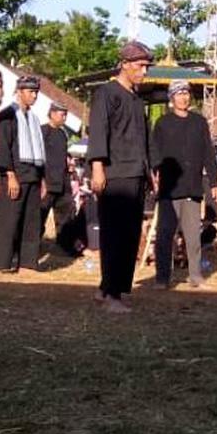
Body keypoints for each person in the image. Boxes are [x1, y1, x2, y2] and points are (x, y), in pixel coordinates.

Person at [86, 41, 156, 314]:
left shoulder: (137, 99)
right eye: (140, 66)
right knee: (115, 234)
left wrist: (150, 171)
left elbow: (143, 139)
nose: (144, 71)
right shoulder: (107, 93)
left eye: (146, 66)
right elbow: (99, 130)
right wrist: (97, 167)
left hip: (137, 172)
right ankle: (112, 294)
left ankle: (111, 288)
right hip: (115, 173)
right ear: (125, 64)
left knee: (130, 234)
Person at [150, 80, 217, 288]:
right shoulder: (162, 123)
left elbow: (208, 153)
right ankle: (162, 277)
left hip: (192, 187)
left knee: (192, 236)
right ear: (172, 98)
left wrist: (215, 183)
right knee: (165, 234)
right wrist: (155, 173)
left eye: (186, 94)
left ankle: (195, 276)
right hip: (169, 189)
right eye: (179, 94)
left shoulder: (199, 123)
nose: (184, 98)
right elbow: (154, 151)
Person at [0, 76, 46, 273]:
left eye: (36, 92)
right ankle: (0, 263)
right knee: (8, 220)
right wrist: (10, 174)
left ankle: (28, 262)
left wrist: (42, 178)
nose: (34, 95)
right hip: (15, 174)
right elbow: (3, 147)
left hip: (33, 174)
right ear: (19, 91)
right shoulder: (7, 116)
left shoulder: (34, 118)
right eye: (30, 91)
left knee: (32, 221)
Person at [40, 102, 74, 252]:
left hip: (63, 182)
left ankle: (64, 246)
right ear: (52, 113)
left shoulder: (62, 134)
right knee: (39, 216)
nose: (64, 118)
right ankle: (33, 247)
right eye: (62, 114)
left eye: (66, 114)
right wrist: (41, 180)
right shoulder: (42, 131)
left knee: (65, 217)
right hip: (47, 182)